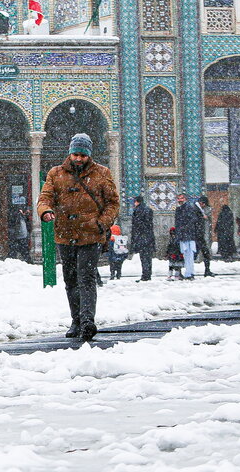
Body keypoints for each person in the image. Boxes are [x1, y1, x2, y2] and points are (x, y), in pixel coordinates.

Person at [38, 133, 118, 341]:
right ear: (70, 153)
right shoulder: (56, 174)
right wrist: (45, 211)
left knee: (86, 277)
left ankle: (87, 321)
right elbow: (45, 197)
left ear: (89, 155)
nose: (79, 159)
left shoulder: (102, 173)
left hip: (91, 234)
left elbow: (112, 203)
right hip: (65, 233)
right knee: (71, 279)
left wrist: (101, 222)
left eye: (83, 155)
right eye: (75, 154)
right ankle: (75, 320)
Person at [172, 192, 204, 280]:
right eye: (178, 198)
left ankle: (189, 272)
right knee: (186, 254)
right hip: (184, 235)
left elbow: (192, 220)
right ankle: (188, 272)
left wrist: (184, 228)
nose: (180, 200)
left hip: (187, 234)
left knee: (189, 254)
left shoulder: (188, 208)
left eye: (181, 198)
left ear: (185, 199)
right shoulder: (180, 209)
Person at [129, 195, 155, 281]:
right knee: (148, 257)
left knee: (143, 257)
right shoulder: (148, 209)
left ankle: (145, 275)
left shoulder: (137, 211)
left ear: (137, 202)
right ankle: (148, 274)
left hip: (141, 237)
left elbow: (137, 225)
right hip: (149, 236)